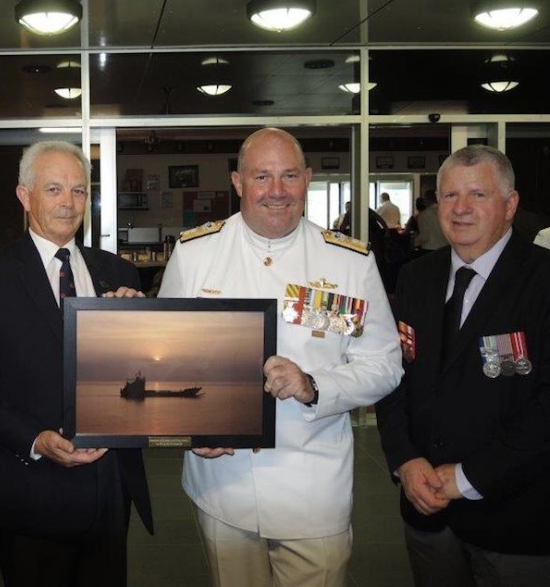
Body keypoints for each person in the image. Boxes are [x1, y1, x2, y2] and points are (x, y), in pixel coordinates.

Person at [158, 127, 402, 587]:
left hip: (313, 487)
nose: (276, 191)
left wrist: (316, 386)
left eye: (289, 175)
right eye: (262, 176)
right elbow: (168, 358)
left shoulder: (348, 263)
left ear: (308, 178)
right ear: (237, 183)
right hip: (221, 483)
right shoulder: (195, 255)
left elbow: (384, 364)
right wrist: (190, 429)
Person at [0, 141, 153, 587]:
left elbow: (139, 372)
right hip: (33, 489)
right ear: (25, 196)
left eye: (79, 191)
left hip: (107, 489)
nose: (68, 202)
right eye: (54, 189)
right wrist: (35, 439)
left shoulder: (118, 273)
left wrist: (138, 329)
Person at [376, 145, 550, 586]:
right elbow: (393, 376)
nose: (461, 209)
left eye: (478, 195)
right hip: (426, 510)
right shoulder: (417, 277)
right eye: (449, 196)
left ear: (510, 205)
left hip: (514, 517)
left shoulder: (542, 280)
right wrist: (405, 459)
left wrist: (469, 477)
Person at [414, 189, 448, 254]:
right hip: (445, 248)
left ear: (427, 199)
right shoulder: (445, 212)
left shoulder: (425, 214)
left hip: (429, 248)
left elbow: (424, 236)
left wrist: (415, 242)